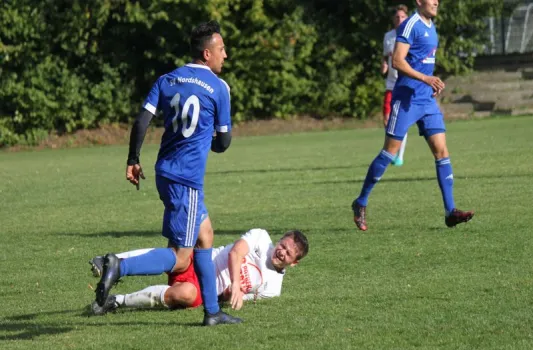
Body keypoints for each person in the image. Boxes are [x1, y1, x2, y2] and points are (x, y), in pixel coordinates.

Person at [94, 21, 241, 326]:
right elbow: (224, 142)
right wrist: (205, 139)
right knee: (181, 255)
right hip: (186, 179)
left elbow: (141, 122)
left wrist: (133, 158)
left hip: (164, 172)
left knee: (206, 235)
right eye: (222, 49)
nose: (225, 55)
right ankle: (119, 265)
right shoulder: (218, 87)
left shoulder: (168, 79)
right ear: (207, 53)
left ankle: (212, 311)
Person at [351, 0, 474, 231]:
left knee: (441, 150)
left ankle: (450, 211)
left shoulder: (431, 26)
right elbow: (397, 61)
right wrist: (426, 79)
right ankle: (361, 201)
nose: (436, 1)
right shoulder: (410, 25)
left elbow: (422, 62)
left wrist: (432, 81)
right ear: (419, 1)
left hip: (426, 100)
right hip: (406, 99)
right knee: (390, 152)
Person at [89, 229, 309, 315]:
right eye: (282, 245)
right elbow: (235, 254)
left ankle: (115, 301)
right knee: (177, 254)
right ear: (279, 240)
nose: (281, 252)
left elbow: (230, 299)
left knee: (182, 294)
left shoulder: (273, 288)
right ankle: (113, 261)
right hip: (201, 260)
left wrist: (229, 294)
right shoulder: (262, 237)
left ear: (294, 263)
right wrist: (234, 281)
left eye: (288, 254)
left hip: (202, 290)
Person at [381, 5, 409, 167]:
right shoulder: (388, 37)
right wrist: (384, 65)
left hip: (404, 84)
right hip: (391, 84)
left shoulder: (410, 35)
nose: (399, 20)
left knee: (401, 121)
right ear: (393, 19)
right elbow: (385, 56)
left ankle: (399, 156)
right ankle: (392, 147)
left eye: (402, 17)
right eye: (397, 17)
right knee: (386, 119)